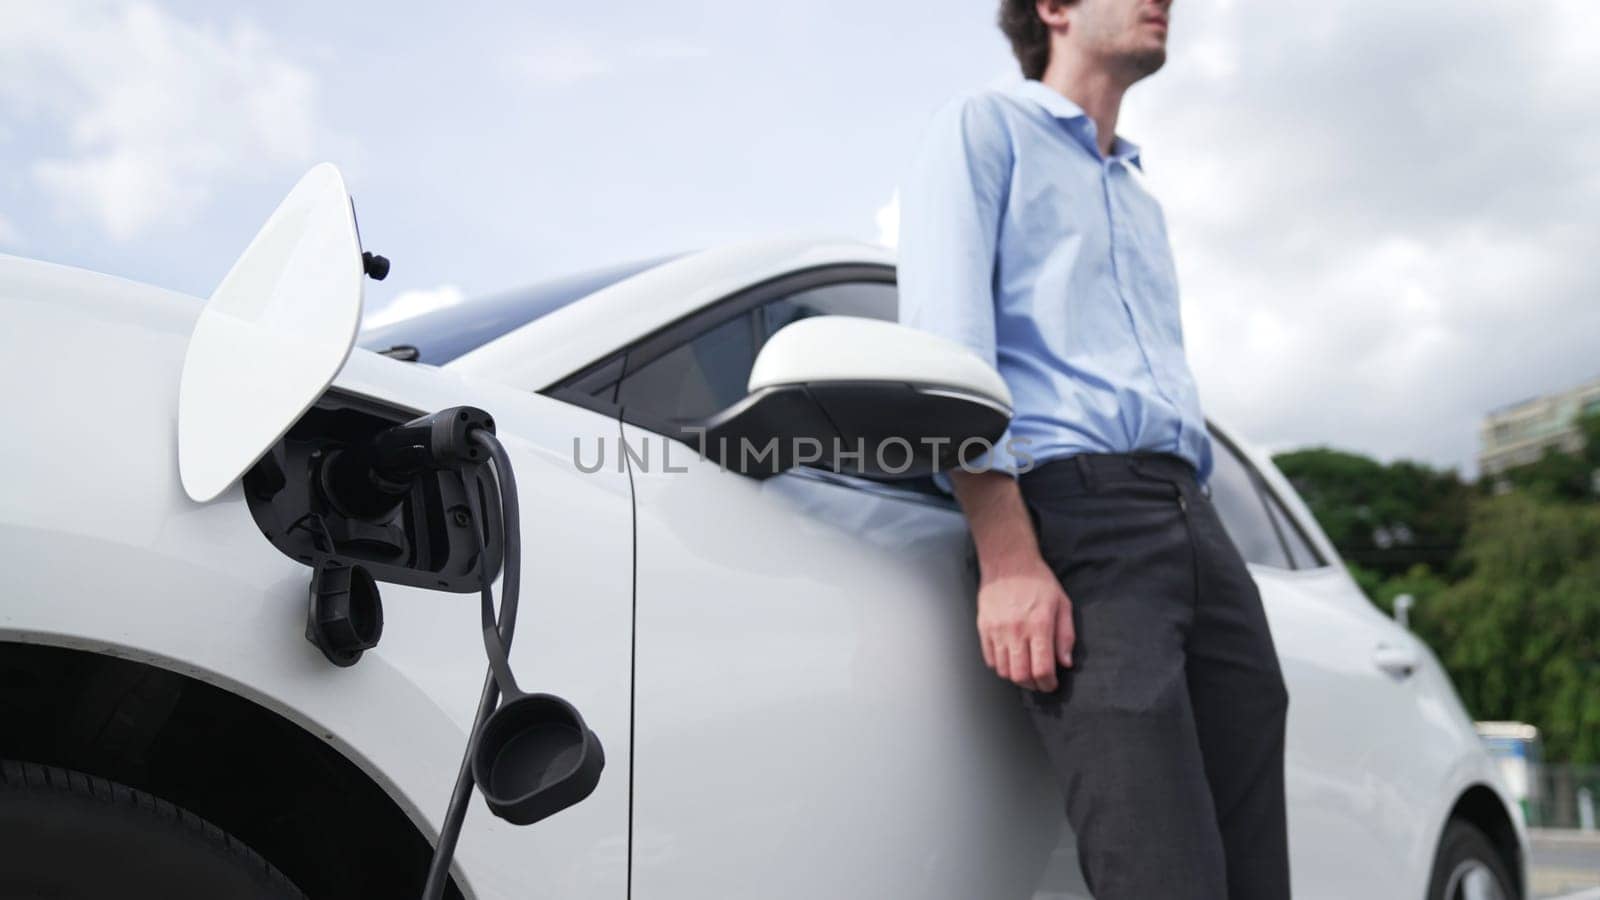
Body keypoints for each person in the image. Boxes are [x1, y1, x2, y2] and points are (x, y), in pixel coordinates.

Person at [896, 2, 1291, 898]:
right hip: (1078, 522)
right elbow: (950, 353)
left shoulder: (1140, 196)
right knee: (1164, 875)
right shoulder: (984, 128)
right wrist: (1008, 556)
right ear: (1054, 8)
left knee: (1257, 877)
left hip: (1197, 523)